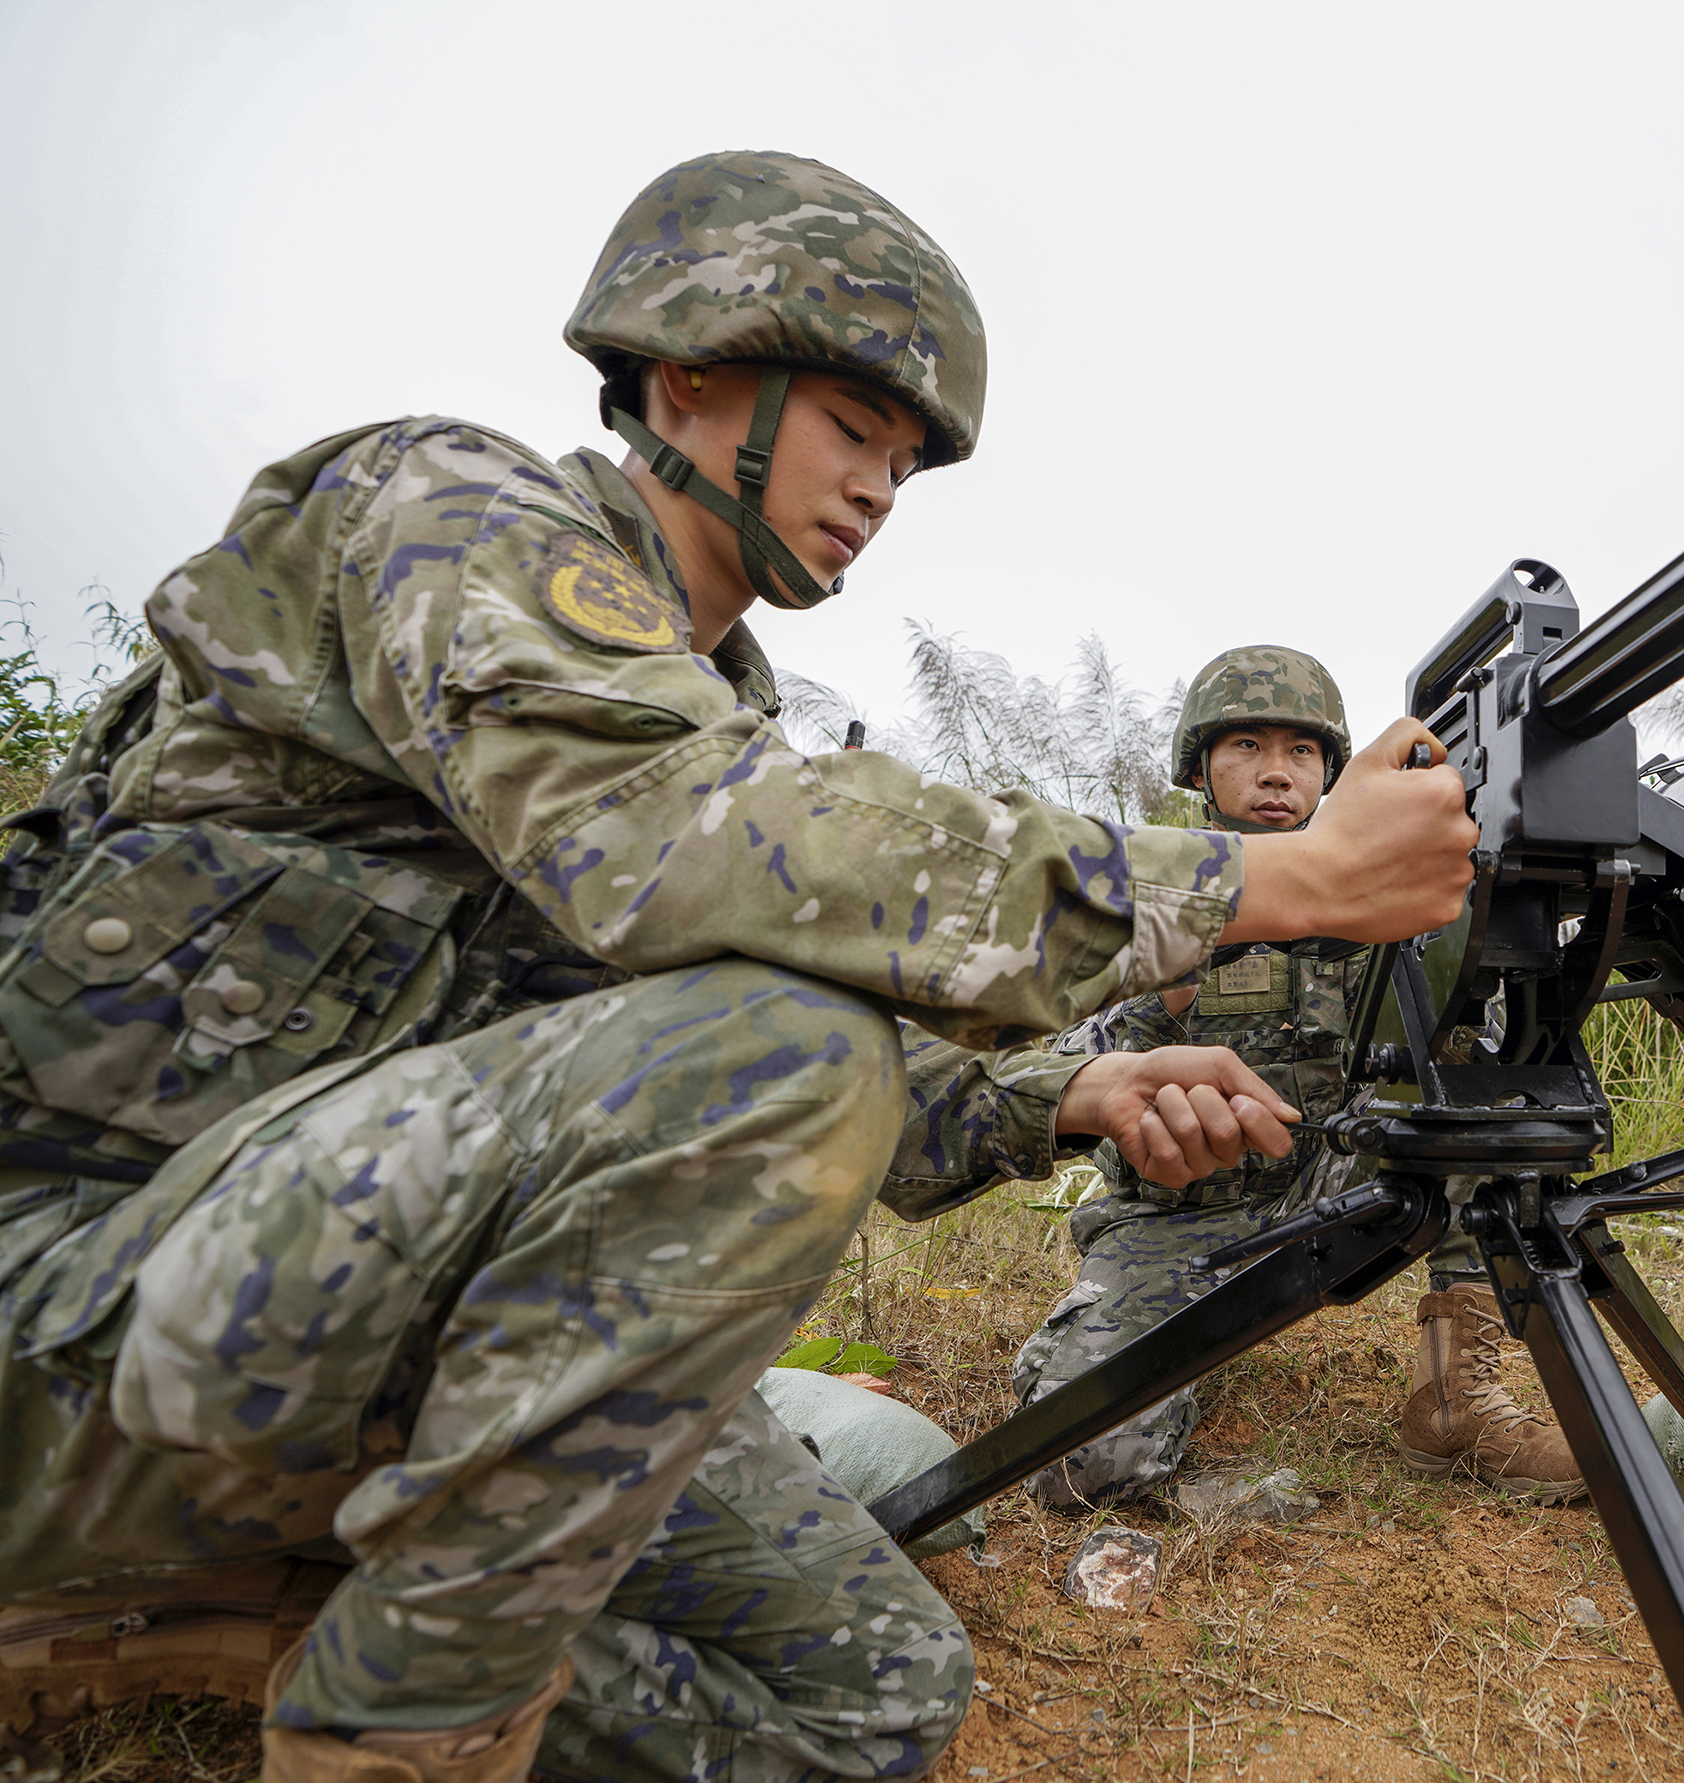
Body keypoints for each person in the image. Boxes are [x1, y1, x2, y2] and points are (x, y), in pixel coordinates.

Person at [0, 150, 1476, 1783]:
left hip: (355, 1333)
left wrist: (1080, 1090)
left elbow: (801, 1072)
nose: (873, 491)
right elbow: (704, 856)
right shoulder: (440, 513)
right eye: (855, 429)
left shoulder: (720, 724)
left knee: (870, 1693)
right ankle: (389, 1732)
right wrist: (1273, 874)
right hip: (71, 1322)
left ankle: (226, 1620)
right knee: (783, 1049)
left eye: (904, 465)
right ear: (690, 378)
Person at [913, 648, 1583, 1512]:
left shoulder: (1391, 897)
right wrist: (1136, 1037)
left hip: (1342, 1186)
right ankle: (1176, 1344)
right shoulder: (1146, 886)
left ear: (1335, 774)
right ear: (1200, 767)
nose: (1276, 772)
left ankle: (1452, 1405)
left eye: (1301, 751)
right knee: (1088, 1468)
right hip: (1183, 1217)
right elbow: (1018, 1055)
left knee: (1477, 1086)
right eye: (1247, 747)